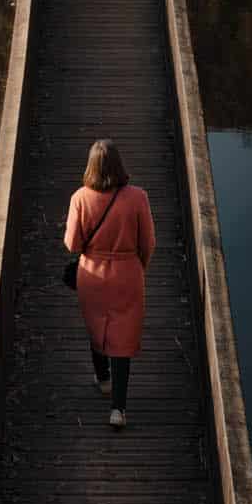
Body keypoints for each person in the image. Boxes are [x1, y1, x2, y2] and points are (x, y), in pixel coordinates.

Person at [64, 137, 155, 430]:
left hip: (91, 274)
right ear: (119, 165)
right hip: (128, 274)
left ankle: (102, 379)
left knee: (97, 326)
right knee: (123, 339)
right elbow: (148, 243)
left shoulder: (80, 198)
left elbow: (72, 244)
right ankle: (118, 409)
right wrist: (139, 266)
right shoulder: (138, 197)